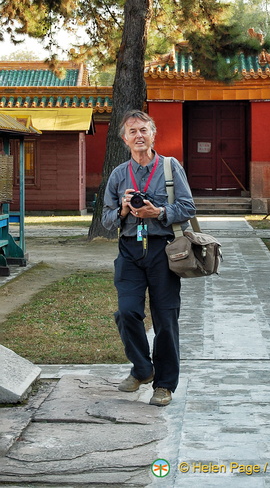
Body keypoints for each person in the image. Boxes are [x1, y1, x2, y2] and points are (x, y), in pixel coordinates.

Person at [102, 110, 196, 406]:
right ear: (124, 139)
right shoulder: (118, 175)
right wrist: (124, 210)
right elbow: (105, 220)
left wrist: (158, 212)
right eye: (133, 132)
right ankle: (143, 368)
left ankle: (164, 385)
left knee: (166, 318)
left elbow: (188, 207)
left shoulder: (170, 167)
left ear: (153, 134)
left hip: (163, 250)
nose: (139, 136)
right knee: (126, 312)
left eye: (144, 130)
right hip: (130, 250)